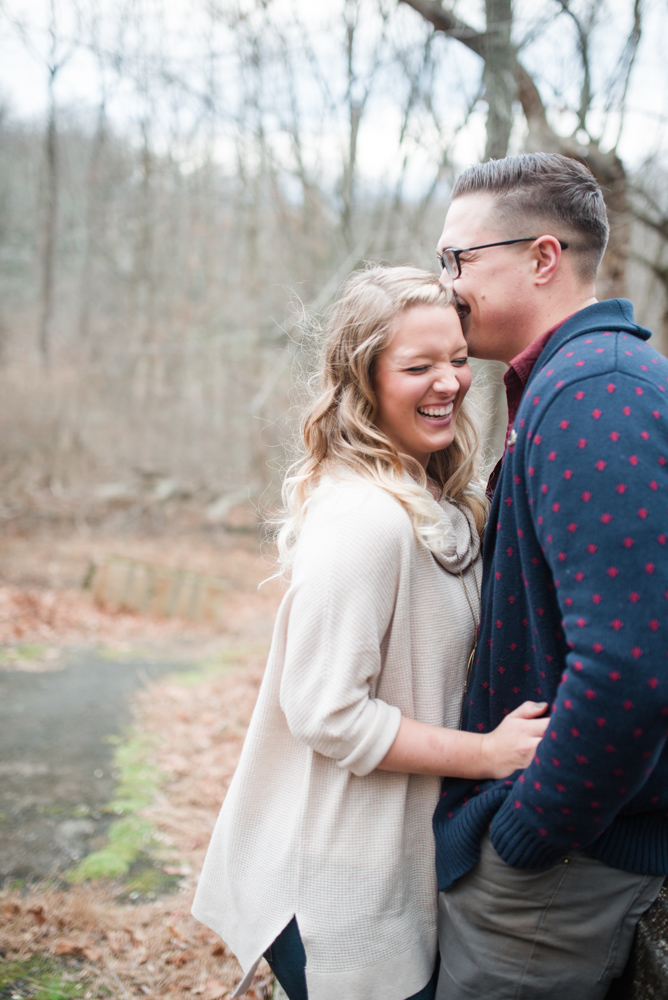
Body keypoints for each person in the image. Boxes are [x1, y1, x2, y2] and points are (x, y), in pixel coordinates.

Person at [191, 266, 549, 1000]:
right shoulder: (365, 520)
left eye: (456, 358)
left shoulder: (430, 500)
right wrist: (485, 755)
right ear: (363, 381)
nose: (448, 381)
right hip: (334, 884)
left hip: (394, 871)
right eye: (418, 366)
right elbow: (327, 710)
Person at [432, 152, 668, 1000]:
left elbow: (631, 665)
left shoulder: (595, 392)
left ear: (542, 258)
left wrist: (531, 833)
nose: (447, 282)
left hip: (559, 872)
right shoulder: (569, 385)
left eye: (460, 259)